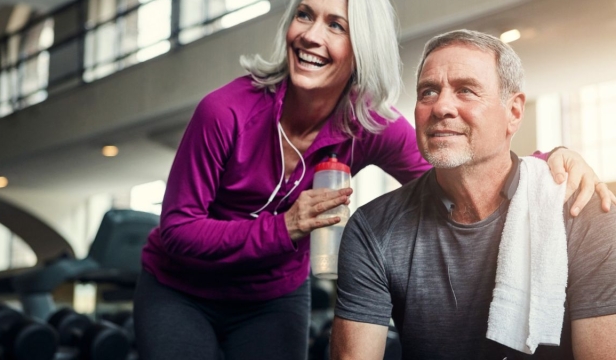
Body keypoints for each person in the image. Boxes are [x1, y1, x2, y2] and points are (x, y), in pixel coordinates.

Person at [132, 0, 614, 357]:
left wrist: (552, 161)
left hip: (271, 295)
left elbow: (461, 163)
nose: (310, 35)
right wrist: (284, 228)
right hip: (182, 289)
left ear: (360, 49)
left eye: (335, 25)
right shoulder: (225, 111)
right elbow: (175, 230)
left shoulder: (367, 124)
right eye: (304, 15)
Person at [330, 29, 616, 360]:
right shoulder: (372, 228)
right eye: (428, 92)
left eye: (466, 90)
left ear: (514, 113)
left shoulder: (582, 211)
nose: (441, 107)